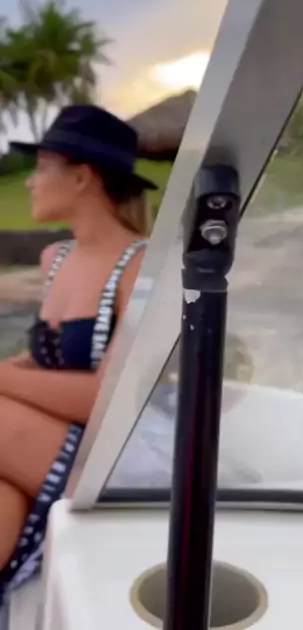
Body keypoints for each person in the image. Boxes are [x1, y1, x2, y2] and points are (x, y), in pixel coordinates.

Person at [0, 104, 158, 601]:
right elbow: (45, 362)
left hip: (122, 450)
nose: (30, 182)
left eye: (42, 167)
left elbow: (109, 401)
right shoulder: (57, 257)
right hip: (61, 439)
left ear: (82, 177)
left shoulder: (142, 265)